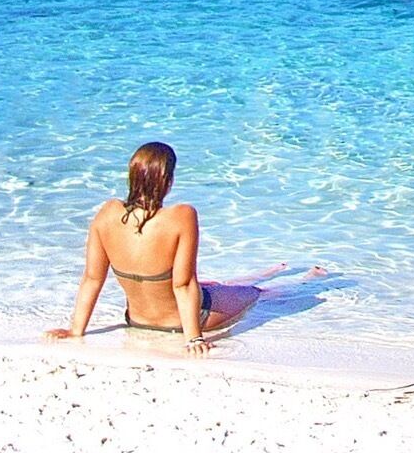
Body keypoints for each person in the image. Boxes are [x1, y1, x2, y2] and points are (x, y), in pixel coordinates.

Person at [45, 141, 287, 354]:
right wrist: (194, 338)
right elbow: (183, 284)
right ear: (167, 180)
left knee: (211, 287)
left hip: (136, 319)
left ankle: (271, 273)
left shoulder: (107, 213)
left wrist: (75, 330)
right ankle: (302, 280)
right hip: (183, 322)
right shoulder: (182, 215)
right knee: (255, 293)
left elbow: (92, 278)